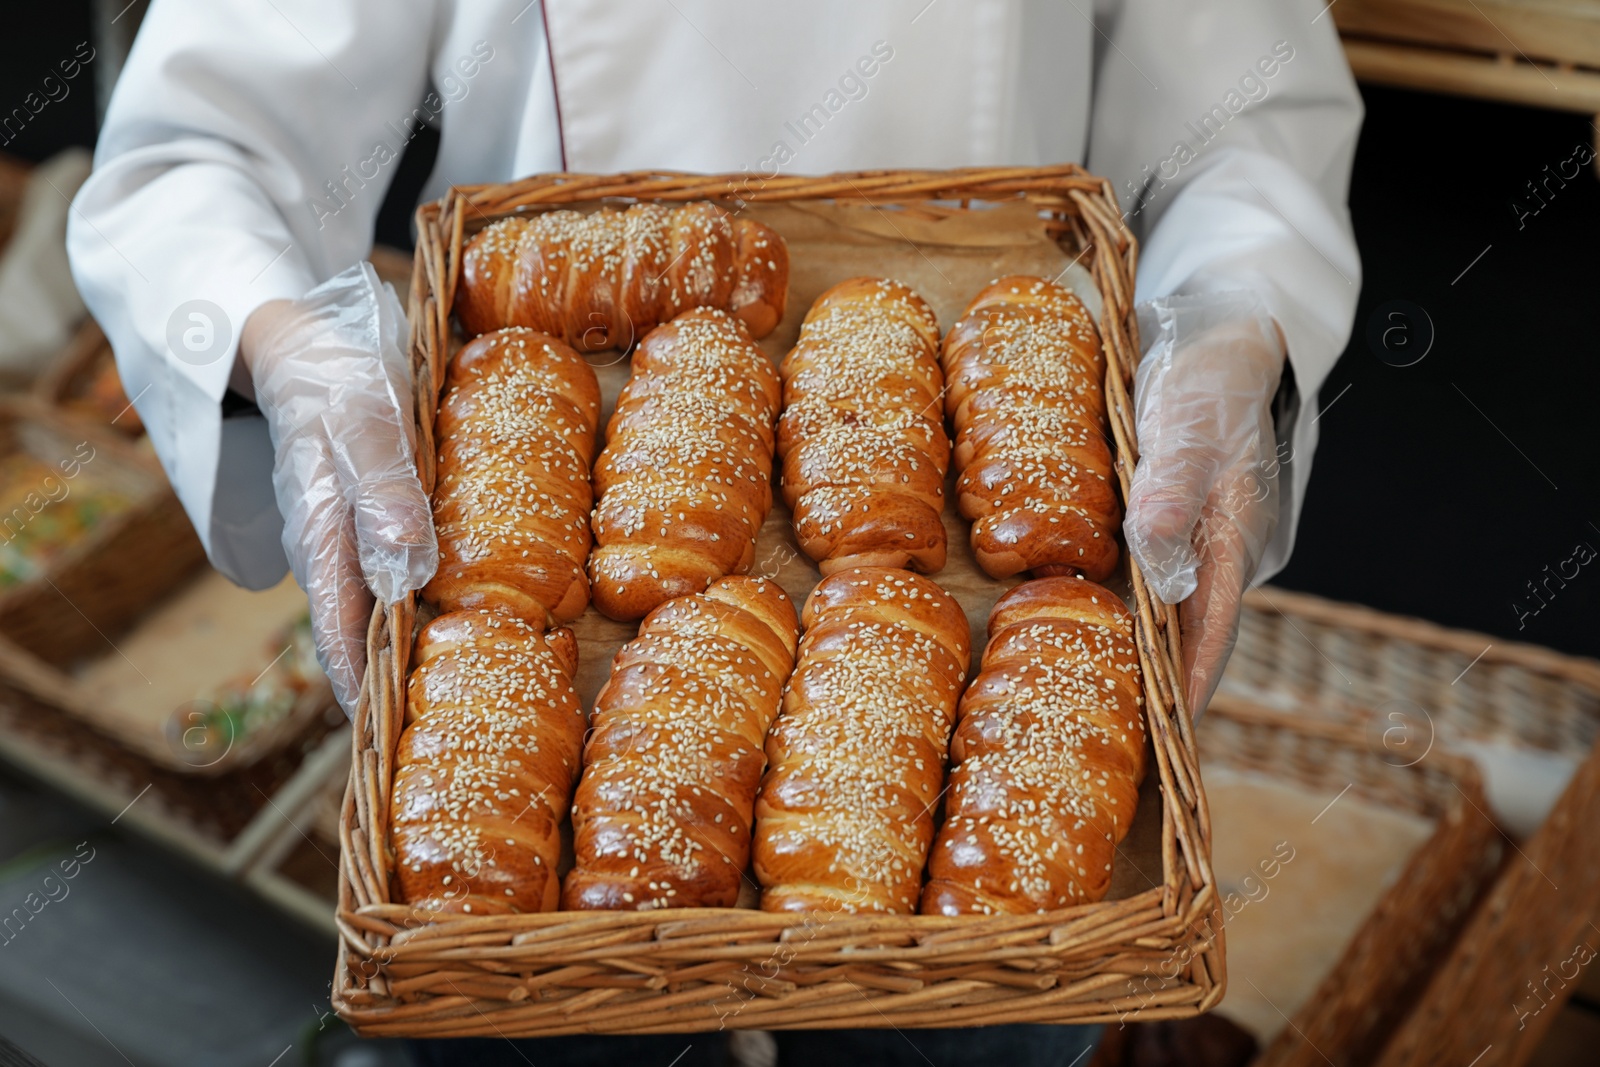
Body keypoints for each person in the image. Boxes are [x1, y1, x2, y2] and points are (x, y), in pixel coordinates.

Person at [67, 2, 1361, 1063]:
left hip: (986, 819)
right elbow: (199, 150)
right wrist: (285, 350)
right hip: (515, 750)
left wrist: (1236, 321)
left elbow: (1246, 115)